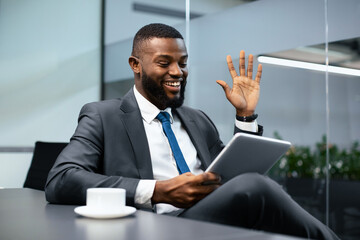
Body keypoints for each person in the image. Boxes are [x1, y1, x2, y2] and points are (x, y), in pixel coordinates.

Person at [45, 23, 338, 239]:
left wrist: (245, 115)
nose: (178, 72)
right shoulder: (103, 115)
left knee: (255, 187)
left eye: (183, 63)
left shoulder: (197, 119)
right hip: (156, 227)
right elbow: (61, 179)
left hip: (209, 221)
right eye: (164, 63)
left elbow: (232, 176)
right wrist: (158, 191)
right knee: (256, 188)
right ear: (136, 65)